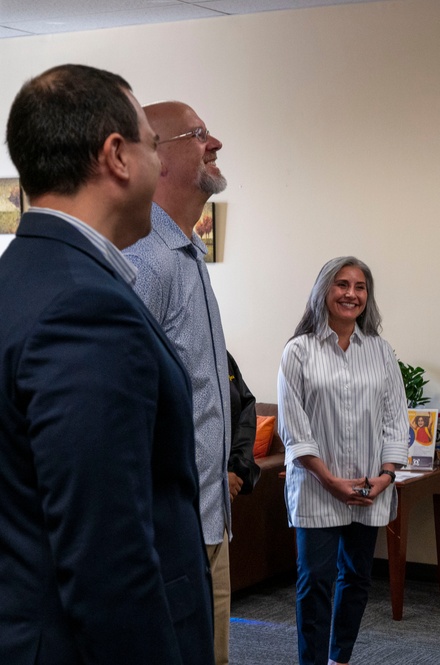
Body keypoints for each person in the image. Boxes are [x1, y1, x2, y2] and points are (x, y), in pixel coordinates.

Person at [0, 64, 213, 663]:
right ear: (117, 156)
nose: (157, 162)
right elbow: (107, 556)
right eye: (152, 145)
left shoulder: (21, 277)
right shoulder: (84, 306)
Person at [123, 100, 234, 665]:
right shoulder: (145, 260)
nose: (215, 143)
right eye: (198, 134)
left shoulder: (188, 253)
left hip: (208, 521)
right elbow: (125, 405)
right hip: (168, 534)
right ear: (158, 158)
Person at [277, 256, 409, 665]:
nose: (351, 294)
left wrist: (386, 476)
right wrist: (330, 480)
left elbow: (395, 418)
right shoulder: (299, 351)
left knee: (356, 577)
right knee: (315, 580)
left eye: (360, 287)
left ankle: (340, 658)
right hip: (317, 487)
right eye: (342, 284)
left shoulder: (380, 352)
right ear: (324, 291)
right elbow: (294, 428)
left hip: (369, 487)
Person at [228, 351, 261, 498]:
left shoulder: (223, 356)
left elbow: (246, 404)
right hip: (188, 488)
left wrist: (236, 467)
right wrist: (216, 478)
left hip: (229, 484)